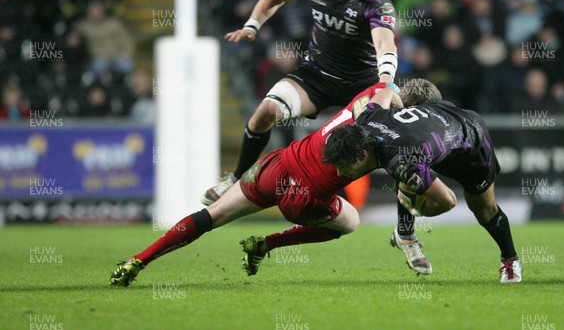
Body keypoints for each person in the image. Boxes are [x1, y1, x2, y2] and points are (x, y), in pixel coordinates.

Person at [110, 82, 416, 286]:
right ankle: (266, 244)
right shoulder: (390, 144)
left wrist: (396, 97)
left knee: (212, 216)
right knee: (351, 222)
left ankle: (137, 261)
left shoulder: (367, 101)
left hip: (275, 167)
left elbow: (386, 85)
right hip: (303, 198)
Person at [201, 0, 398, 205]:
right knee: (266, 112)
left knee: (394, 143)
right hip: (315, 76)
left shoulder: (376, 2)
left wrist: (386, 80)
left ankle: (406, 220)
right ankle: (236, 178)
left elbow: (385, 43)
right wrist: (252, 26)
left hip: (360, 86)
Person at [322, 79, 522, 283]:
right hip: (434, 133)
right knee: (408, 180)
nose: (339, 173)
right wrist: (399, 110)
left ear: (363, 154)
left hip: (470, 142)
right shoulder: (367, 116)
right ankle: (406, 234)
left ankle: (510, 260)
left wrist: (417, 208)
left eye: (343, 165)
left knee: (484, 209)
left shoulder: (403, 160)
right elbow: (386, 91)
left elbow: (448, 201)